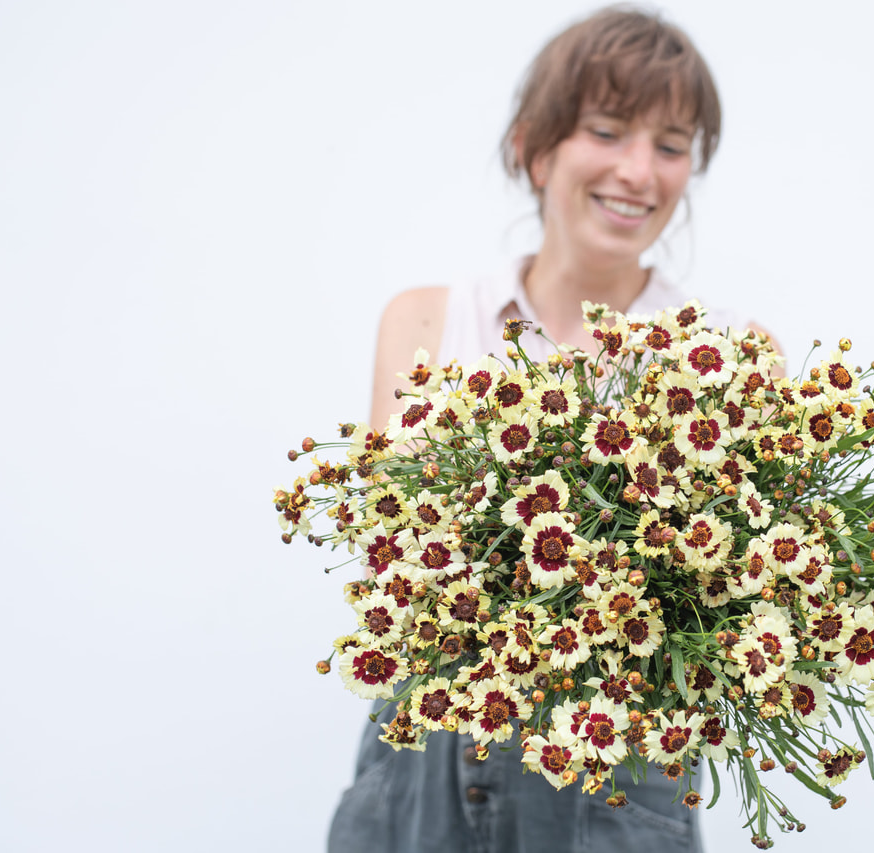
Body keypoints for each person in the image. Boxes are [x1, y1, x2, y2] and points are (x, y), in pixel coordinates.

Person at [329, 7, 779, 853]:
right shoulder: (427, 322)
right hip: (426, 760)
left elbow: (738, 608)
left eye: (671, 145)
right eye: (606, 131)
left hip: (618, 777)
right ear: (535, 149)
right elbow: (392, 563)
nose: (638, 171)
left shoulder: (732, 353)